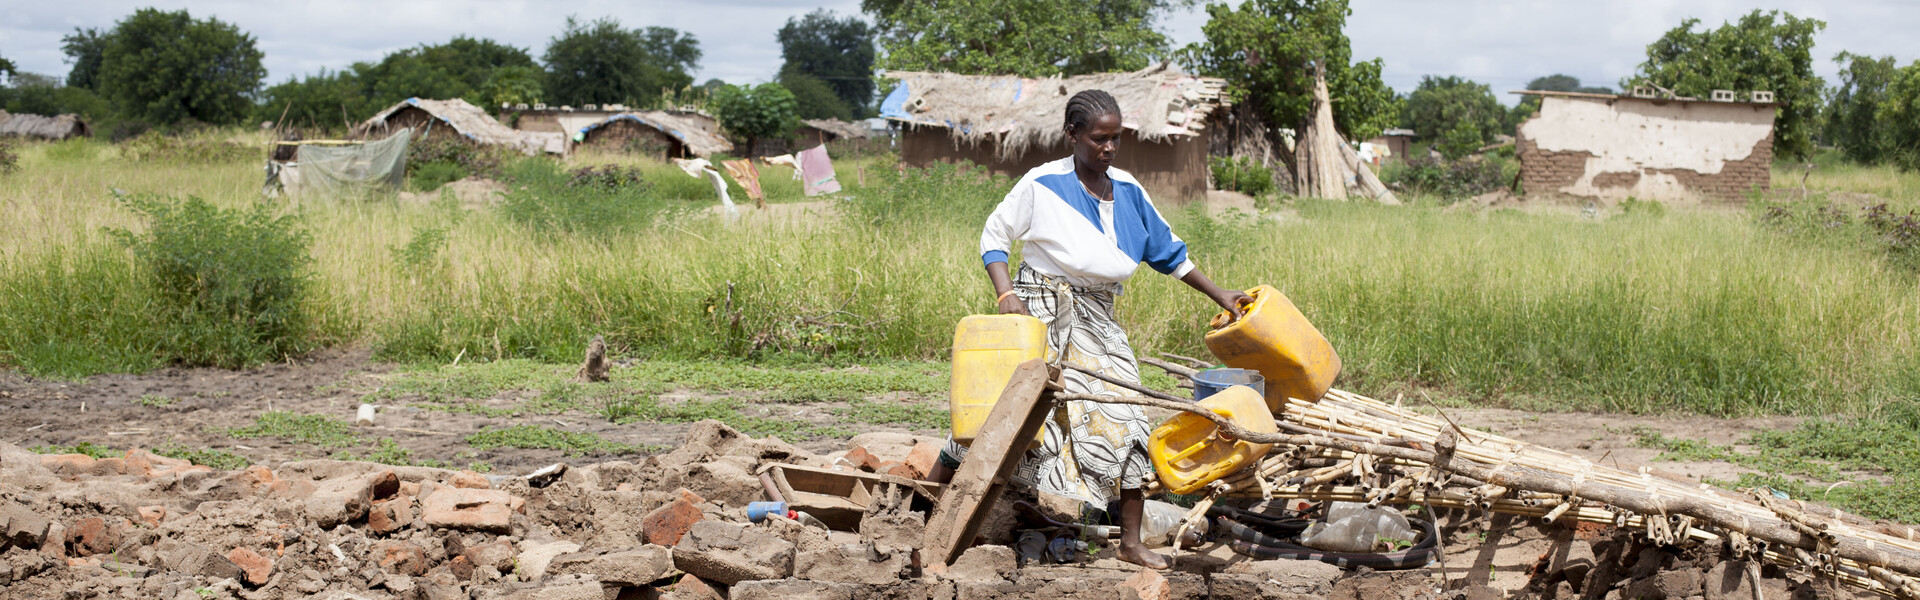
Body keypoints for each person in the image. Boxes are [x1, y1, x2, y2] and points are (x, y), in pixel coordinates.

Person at [930, 89, 1252, 569]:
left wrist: (1220, 293)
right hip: (1038, 310)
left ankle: (1130, 542)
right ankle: (929, 496)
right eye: (1099, 139)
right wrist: (1006, 296)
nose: (1109, 148)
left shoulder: (1129, 190)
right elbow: (994, 238)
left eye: (1115, 139)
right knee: (1009, 413)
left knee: (1127, 416)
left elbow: (1170, 254)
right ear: (1072, 135)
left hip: (1098, 318)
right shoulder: (1041, 184)